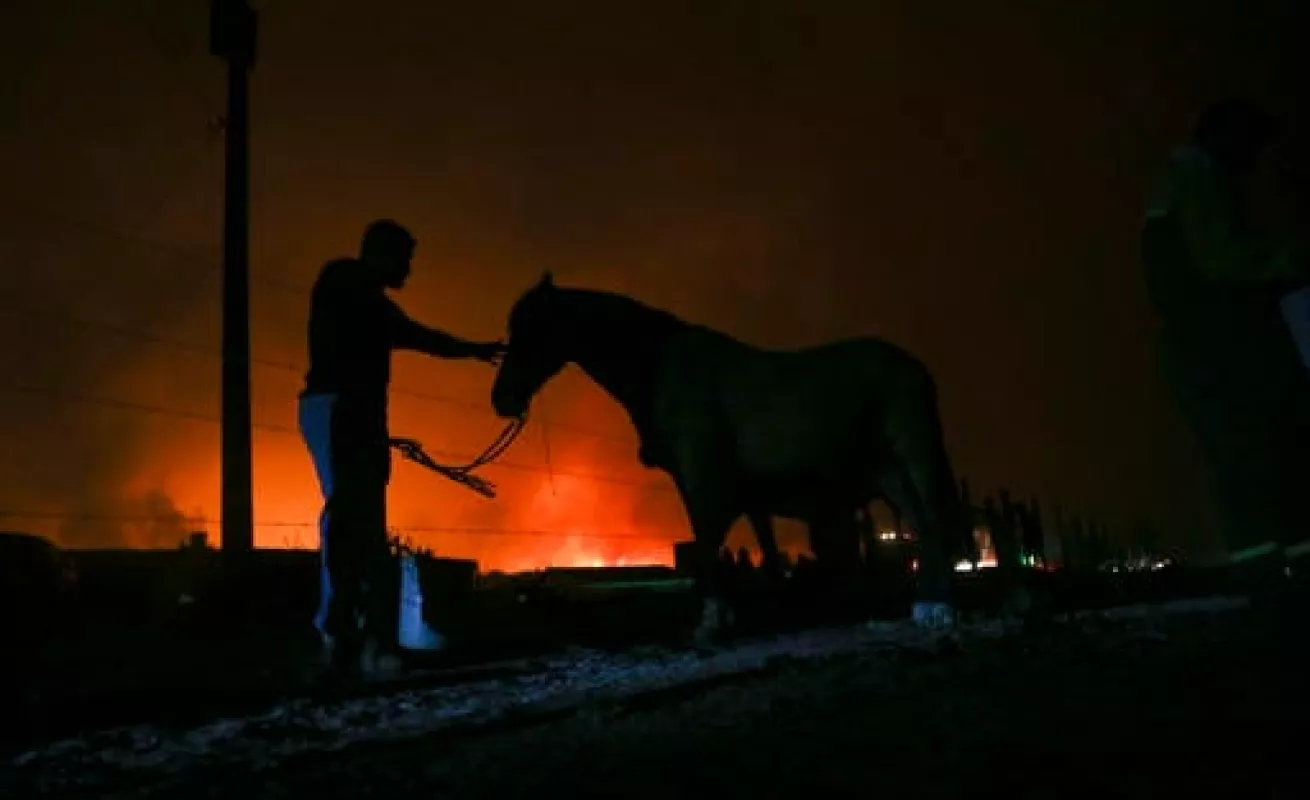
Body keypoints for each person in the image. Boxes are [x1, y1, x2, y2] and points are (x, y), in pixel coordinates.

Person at [297, 219, 504, 679]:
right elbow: (417, 335)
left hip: (354, 415)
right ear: (382, 254)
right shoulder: (350, 285)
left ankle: (359, 638)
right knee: (352, 520)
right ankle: (347, 636)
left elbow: (416, 335)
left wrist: (470, 350)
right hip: (343, 411)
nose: (409, 269)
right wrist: (470, 349)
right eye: (404, 259)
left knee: (360, 522)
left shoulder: (359, 296)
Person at [1141, 98, 1310, 585]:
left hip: (1201, 348)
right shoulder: (1197, 183)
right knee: (1266, 459)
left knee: (1244, 466)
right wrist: (1287, 261)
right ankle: (1286, 586)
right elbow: (1224, 258)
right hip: (1223, 348)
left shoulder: (1173, 186)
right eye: (1250, 149)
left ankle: (1272, 581)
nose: (1254, 164)